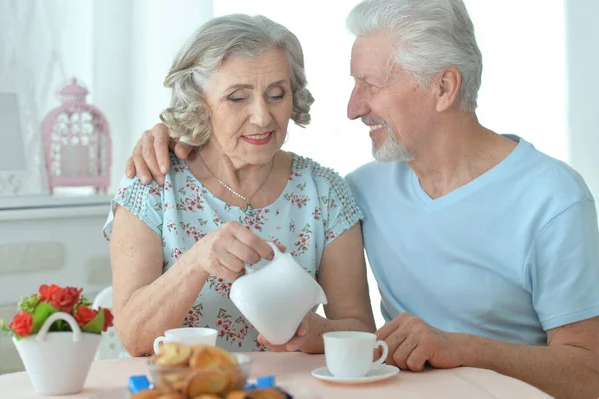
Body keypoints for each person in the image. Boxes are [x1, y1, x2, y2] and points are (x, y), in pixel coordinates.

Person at [124, 1, 599, 398]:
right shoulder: (365, 187)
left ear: (444, 87)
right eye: (235, 98)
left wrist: (465, 348)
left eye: (370, 84)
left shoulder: (552, 198)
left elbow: (590, 374)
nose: (352, 107)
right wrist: (176, 133)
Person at [103, 13, 376, 357]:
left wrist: (315, 333)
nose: (262, 117)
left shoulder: (324, 193)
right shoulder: (153, 184)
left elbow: (361, 329)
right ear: (198, 102)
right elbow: (134, 337)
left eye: (277, 94)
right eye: (237, 98)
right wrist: (197, 261)